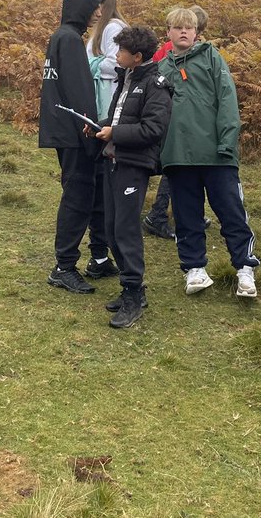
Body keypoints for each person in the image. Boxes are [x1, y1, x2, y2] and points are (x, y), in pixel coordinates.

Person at [159, 7, 259, 297]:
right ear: (168, 32)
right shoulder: (161, 69)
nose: (183, 32)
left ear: (196, 31)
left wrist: (227, 142)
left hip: (218, 155)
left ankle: (244, 268)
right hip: (178, 157)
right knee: (186, 215)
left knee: (231, 212)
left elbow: (227, 98)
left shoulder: (212, 57)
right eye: (177, 28)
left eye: (188, 27)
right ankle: (194, 269)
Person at [93, 26, 173, 328]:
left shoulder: (155, 84)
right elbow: (118, 119)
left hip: (133, 165)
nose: (117, 54)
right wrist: (98, 126)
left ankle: (133, 293)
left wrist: (115, 133)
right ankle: (131, 289)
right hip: (113, 161)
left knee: (125, 230)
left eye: (122, 50)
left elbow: (153, 129)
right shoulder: (126, 77)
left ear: (137, 56)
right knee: (112, 228)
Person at [39, 0, 115, 294]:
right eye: (94, 6)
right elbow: (79, 91)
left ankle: (98, 258)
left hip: (66, 130)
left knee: (91, 192)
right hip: (77, 132)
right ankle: (64, 267)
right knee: (78, 196)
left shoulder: (61, 37)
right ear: (81, 7)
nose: (99, 12)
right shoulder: (69, 40)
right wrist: (93, 130)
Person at [143, 4, 210, 239]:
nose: (189, 34)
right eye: (181, 28)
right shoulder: (168, 54)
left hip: (179, 121)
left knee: (179, 169)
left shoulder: (182, 52)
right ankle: (158, 215)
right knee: (174, 169)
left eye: (192, 29)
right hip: (171, 121)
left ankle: (181, 214)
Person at [87, 0, 128, 123]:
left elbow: (115, 63)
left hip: (108, 90)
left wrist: (88, 64)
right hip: (98, 87)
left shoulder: (113, 27)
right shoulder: (101, 27)